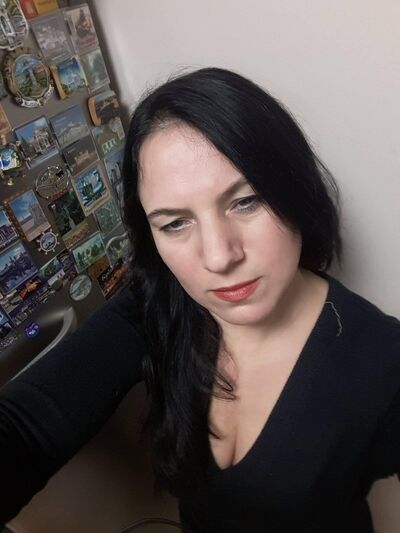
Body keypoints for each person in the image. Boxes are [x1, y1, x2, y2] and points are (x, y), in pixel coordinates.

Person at [1, 67, 400, 533]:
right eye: (175, 223)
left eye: (246, 201)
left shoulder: (385, 361)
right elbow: (26, 428)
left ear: (296, 190)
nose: (218, 257)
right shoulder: (155, 305)